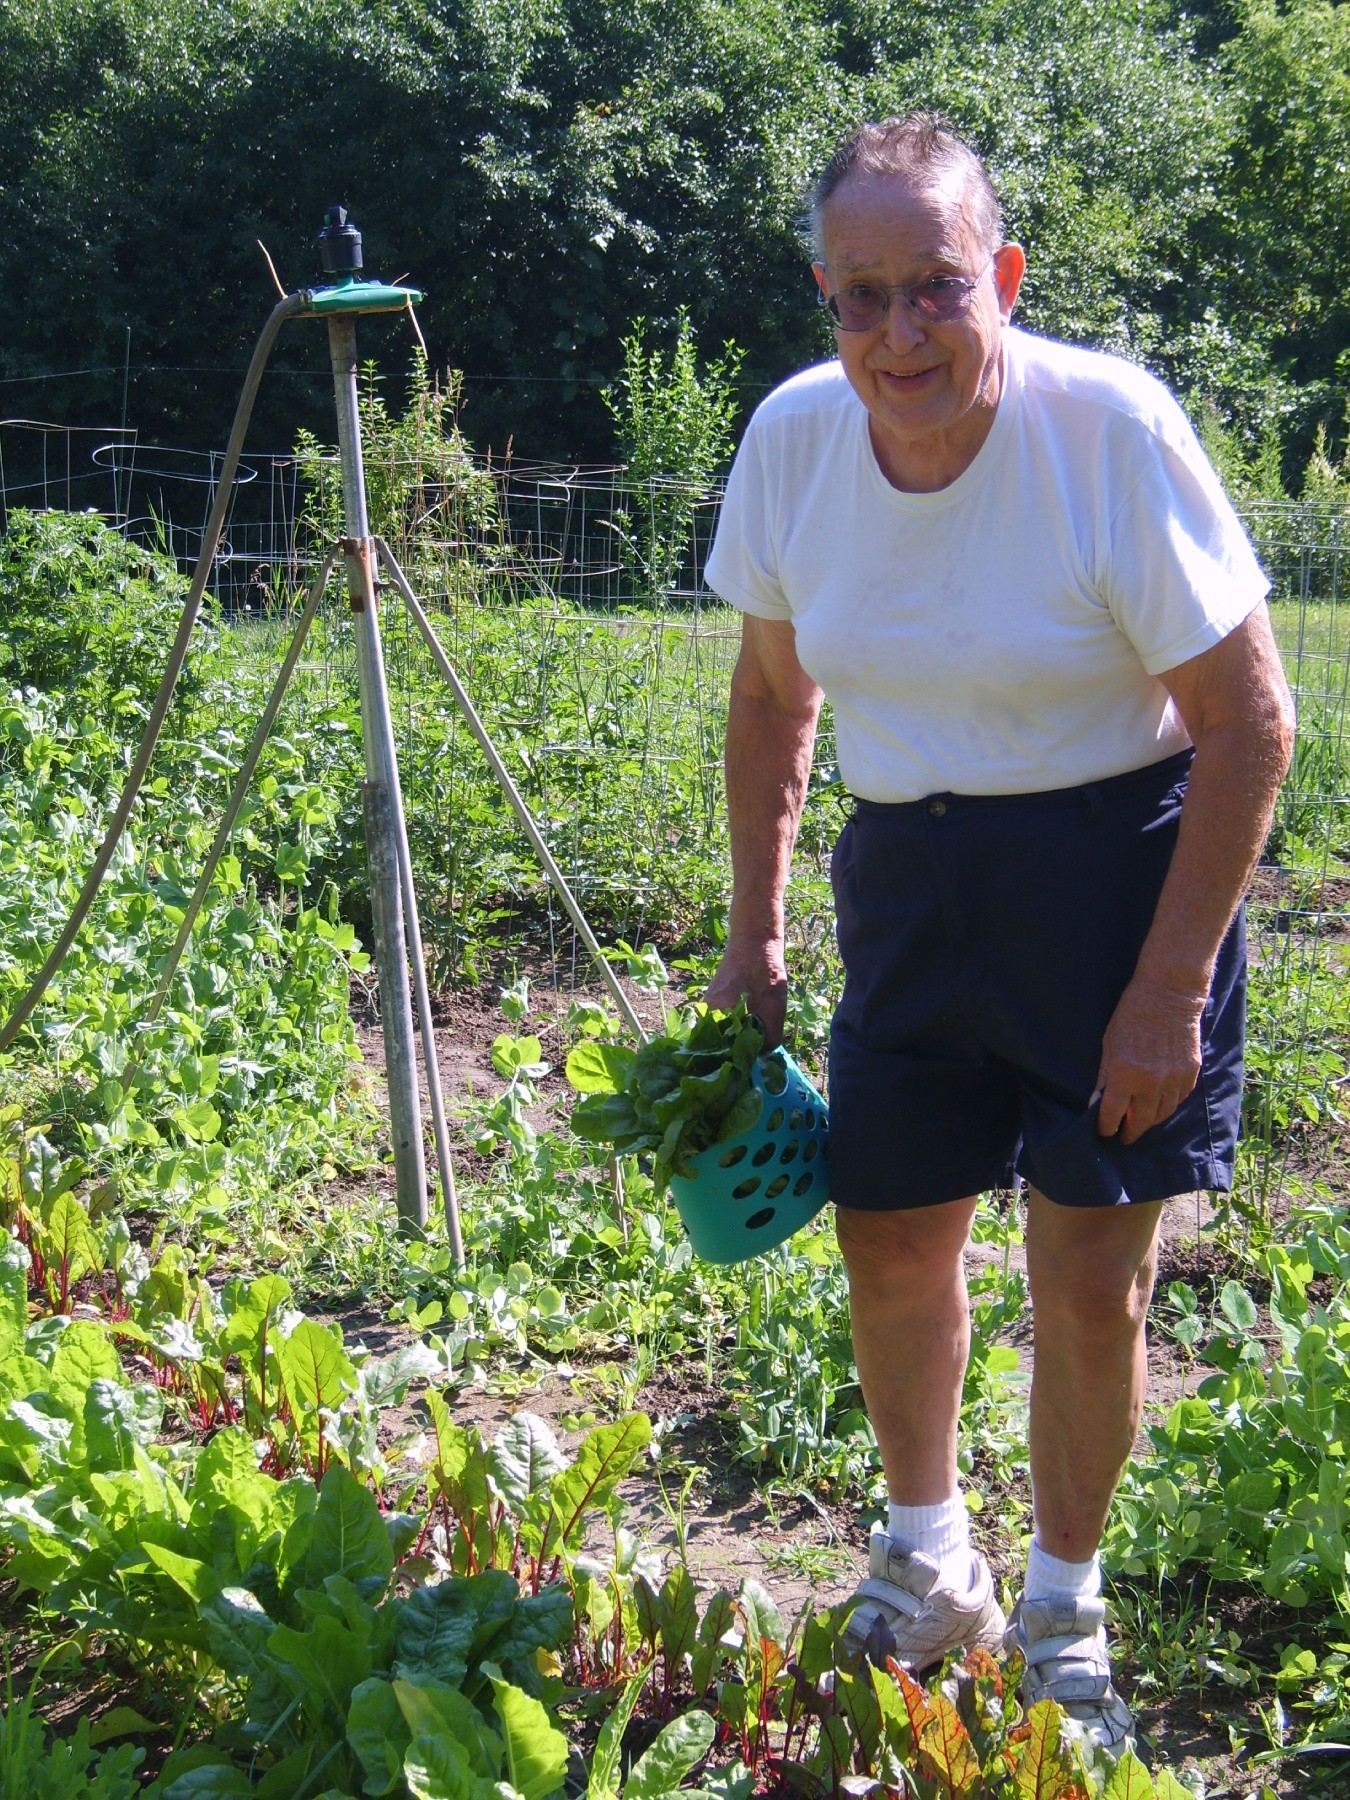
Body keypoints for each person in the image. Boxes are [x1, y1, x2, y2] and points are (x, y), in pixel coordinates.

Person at [702, 114, 1295, 1755]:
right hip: (907, 875)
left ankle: (1061, 1606)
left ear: (1004, 281)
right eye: (862, 296)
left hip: (1111, 879)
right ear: (824, 294)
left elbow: (1249, 725)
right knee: (887, 1229)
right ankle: (926, 1558)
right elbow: (768, 697)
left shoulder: (1107, 430)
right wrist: (753, 929)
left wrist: (1164, 989)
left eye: (937, 291)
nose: (900, 334)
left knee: (1086, 1268)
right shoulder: (797, 440)